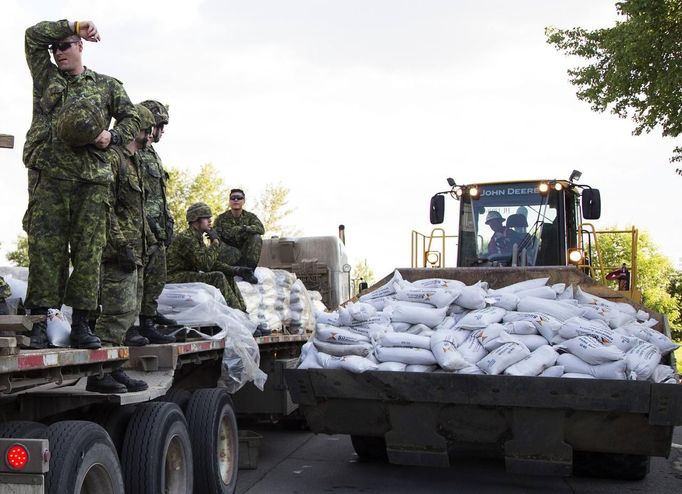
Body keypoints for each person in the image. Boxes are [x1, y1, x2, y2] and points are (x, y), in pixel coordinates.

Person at [22, 20, 140, 349]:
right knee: (46, 251)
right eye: (55, 47)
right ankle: (40, 322)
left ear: (79, 47)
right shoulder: (46, 78)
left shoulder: (106, 86)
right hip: (51, 177)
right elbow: (32, 36)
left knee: (89, 252)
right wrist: (72, 25)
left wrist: (112, 136)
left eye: (65, 45)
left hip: (91, 179)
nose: (58, 52)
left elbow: (134, 117)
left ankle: (84, 323)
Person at [86, 105, 166, 394]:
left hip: (135, 253)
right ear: (138, 131)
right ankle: (99, 374)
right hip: (118, 253)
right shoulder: (114, 160)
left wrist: (148, 244)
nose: (149, 136)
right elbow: (106, 208)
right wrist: (121, 245)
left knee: (127, 313)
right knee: (115, 314)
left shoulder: (133, 161)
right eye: (147, 130)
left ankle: (115, 369)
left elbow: (137, 213)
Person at [166, 203, 251, 311]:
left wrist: (236, 270)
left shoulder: (196, 237)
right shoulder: (187, 238)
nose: (210, 220)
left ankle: (243, 312)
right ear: (196, 219)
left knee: (227, 274)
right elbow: (205, 265)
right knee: (218, 276)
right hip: (173, 276)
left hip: (184, 273)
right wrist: (215, 243)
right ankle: (239, 316)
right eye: (206, 218)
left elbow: (211, 263)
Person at [137, 99, 176, 328]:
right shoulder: (136, 151)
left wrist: (168, 219)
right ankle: (143, 321)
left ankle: (149, 315)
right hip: (144, 227)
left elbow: (159, 192)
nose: (162, 132)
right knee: (140, 279)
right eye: (160, 126)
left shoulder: (151, 153)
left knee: (156, 276)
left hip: (158, 226)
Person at [214, 189, 264, 282]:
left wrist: (244, 228)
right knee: (217, 244)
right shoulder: (221, 218)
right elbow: (215, 237)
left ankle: (249, 272)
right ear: (229, 201)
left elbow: (261, 229)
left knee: (256, 237)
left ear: (243, 201)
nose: (235, 200)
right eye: (233, 198)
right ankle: (230, 270)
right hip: (229, 255)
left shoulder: (250, 217)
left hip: (245, 255)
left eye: (239, 198)